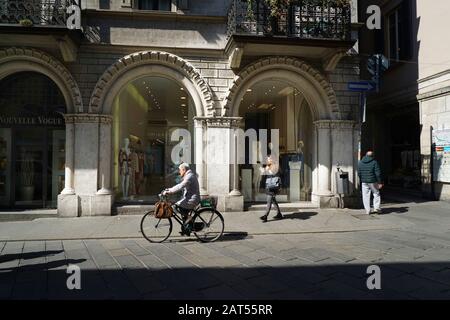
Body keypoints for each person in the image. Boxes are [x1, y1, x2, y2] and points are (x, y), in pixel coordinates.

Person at [163, 163, 200, 235]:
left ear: (184, 169)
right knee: (181, 209)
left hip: (192, 199)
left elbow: (181, 186)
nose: (179, 172)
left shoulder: (190, 176)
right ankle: (186, 228)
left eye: (180, 170)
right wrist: (169, 189)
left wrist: (170, 191)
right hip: (189, 198)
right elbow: (180, 185)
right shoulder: (188, 175)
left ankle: (190, 221)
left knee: (177, 207)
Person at [260, 156, 283, 222]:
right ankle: (279, 214)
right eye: (267, 159)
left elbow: (274, 173)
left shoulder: (275, 165)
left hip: (273, 186)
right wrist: (264, 170)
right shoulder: (269, 165)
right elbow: (263, 173)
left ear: (272, 159)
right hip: (269, 185)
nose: (268, 160)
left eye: (269, 158)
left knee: (269, 200)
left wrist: (267, 169)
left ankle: (265, 216)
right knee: (273, 200)